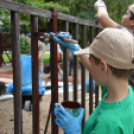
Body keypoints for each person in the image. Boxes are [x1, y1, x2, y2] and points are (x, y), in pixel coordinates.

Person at [51, 28, 134, 133]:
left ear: (103, 68)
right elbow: (102, 72)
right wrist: (76, 48)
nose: (90, 66)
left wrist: (73, 132)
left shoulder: (108, 125)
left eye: (92, 62)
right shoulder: (126, 94)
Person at [94, 0, 134, 90]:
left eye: (127, 14)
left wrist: (100, 5)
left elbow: (102, 17)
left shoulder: (129, 35)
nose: (123, 16)